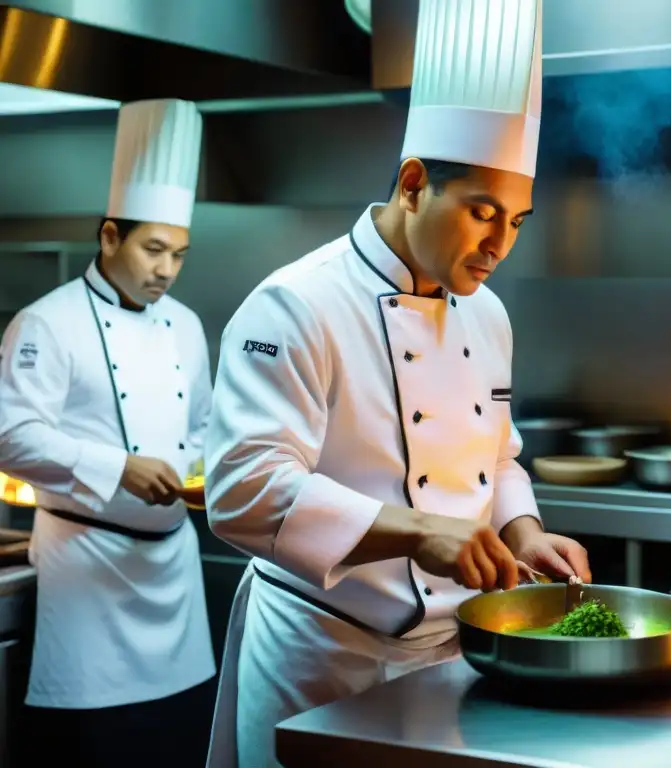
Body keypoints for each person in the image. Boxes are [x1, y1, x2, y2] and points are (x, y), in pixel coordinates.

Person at [202, 1, 586, 765]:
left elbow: (498, 455)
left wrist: (525, 531)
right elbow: (242, 490)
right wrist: (417, 531)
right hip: (320, 662)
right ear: (414, 183)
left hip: (450, 662)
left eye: (517, 220)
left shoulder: (489, 315)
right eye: (483, 212)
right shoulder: (297, 303)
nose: (500, 244)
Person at [0, 99, 216, 767]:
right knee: (98, 750)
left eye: (179, 254)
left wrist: (211, 476)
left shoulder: (185, 324)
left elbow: (204, 428)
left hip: (175, 576)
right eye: (153, 249)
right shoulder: (46, 324)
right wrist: (119, 467)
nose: (167, 270)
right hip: (89, 577)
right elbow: (9, 437)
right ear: (109, 236)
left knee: (181, 741)